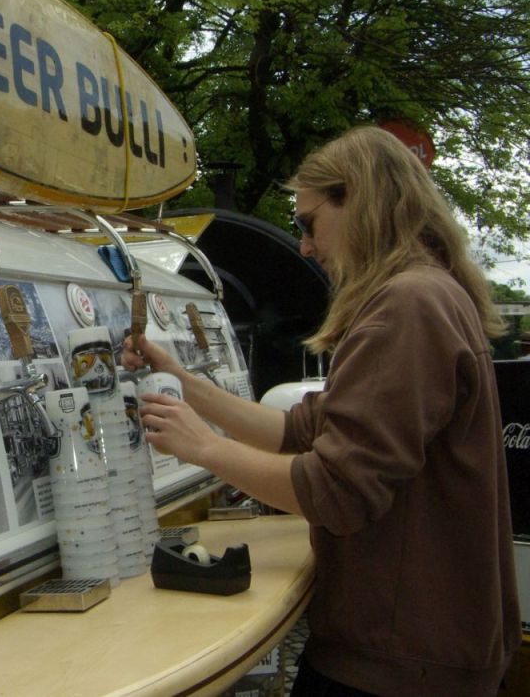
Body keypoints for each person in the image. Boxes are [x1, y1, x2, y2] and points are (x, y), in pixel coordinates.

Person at [122, 126, 518, 696]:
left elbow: (337, 490)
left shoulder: (408, 306)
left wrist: (204, 448)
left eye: (309, 223)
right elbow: (299, 429)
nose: (304, 246)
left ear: (359, 201)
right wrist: (185, 384)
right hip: (414, 651)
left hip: (400, 664)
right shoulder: (422, 295)